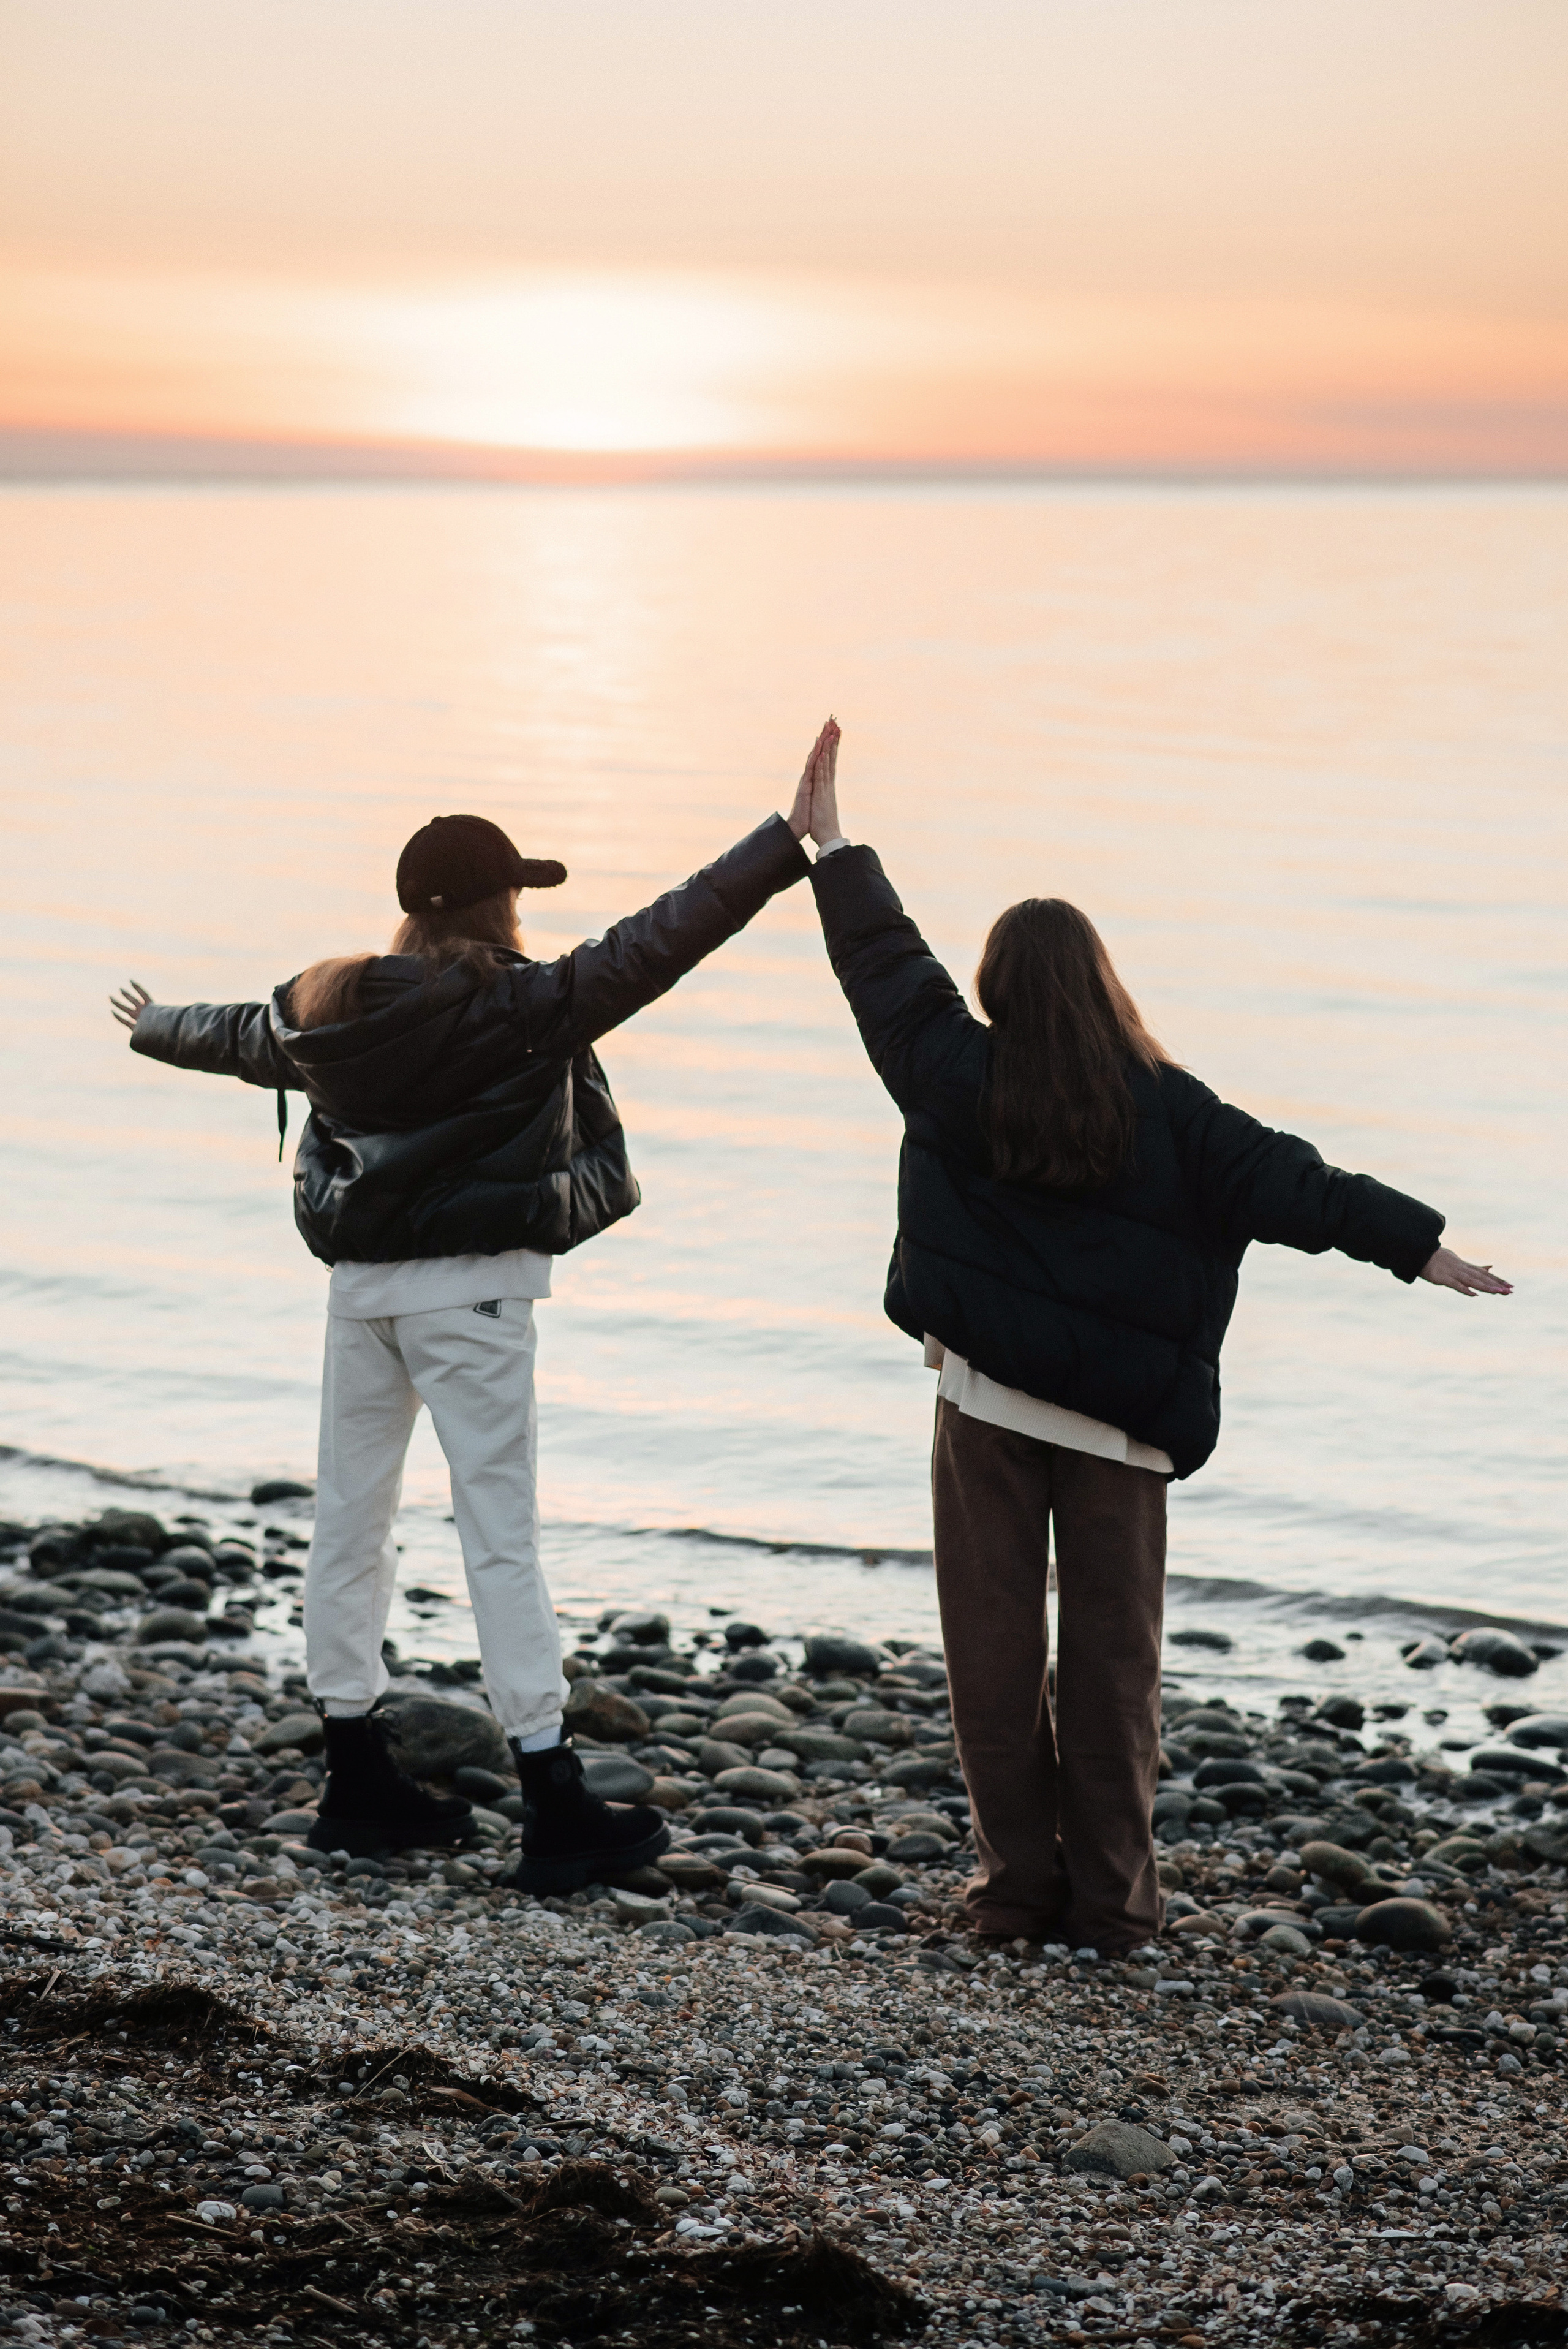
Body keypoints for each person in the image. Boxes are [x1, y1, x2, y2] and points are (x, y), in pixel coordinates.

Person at [796, 722, 1510, 1954]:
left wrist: (834, 845)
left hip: (985, 1412)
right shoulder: (1175, 1113)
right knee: (1113, 1675)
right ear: (1102, 984)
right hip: (1121, 1436)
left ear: (996, 989)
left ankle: (1015, 1896)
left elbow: (883, 964)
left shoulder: (952, 1070)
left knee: (992, 1660)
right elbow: (1301, 1186)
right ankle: (1117, 1910)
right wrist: (1421, 1247)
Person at [110, 728, 827, 1888]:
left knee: (351, 1523)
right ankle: (552, 1795)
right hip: (475, 1303)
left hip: (361, 1302)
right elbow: (663, 936)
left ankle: (356, 1777)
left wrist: (152, 1023)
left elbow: (237, 1033)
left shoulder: (330, 1004)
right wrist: (786, 841)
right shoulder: (524, 1005)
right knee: (500, 1539)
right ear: (499, 905)